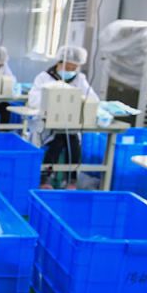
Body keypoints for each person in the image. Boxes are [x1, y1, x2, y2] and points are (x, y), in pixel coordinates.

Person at [27, 45, 99, 189]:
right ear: (59, 63)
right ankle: (45, 178)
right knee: (58, 139)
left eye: (74, 68)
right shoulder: (44, 77)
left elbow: (92, 99)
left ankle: (71, 180)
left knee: (72, 140)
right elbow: (33, 99)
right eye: (68, 67)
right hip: (47, 124)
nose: (71, 71)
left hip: (71, 123)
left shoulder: (79, 79)